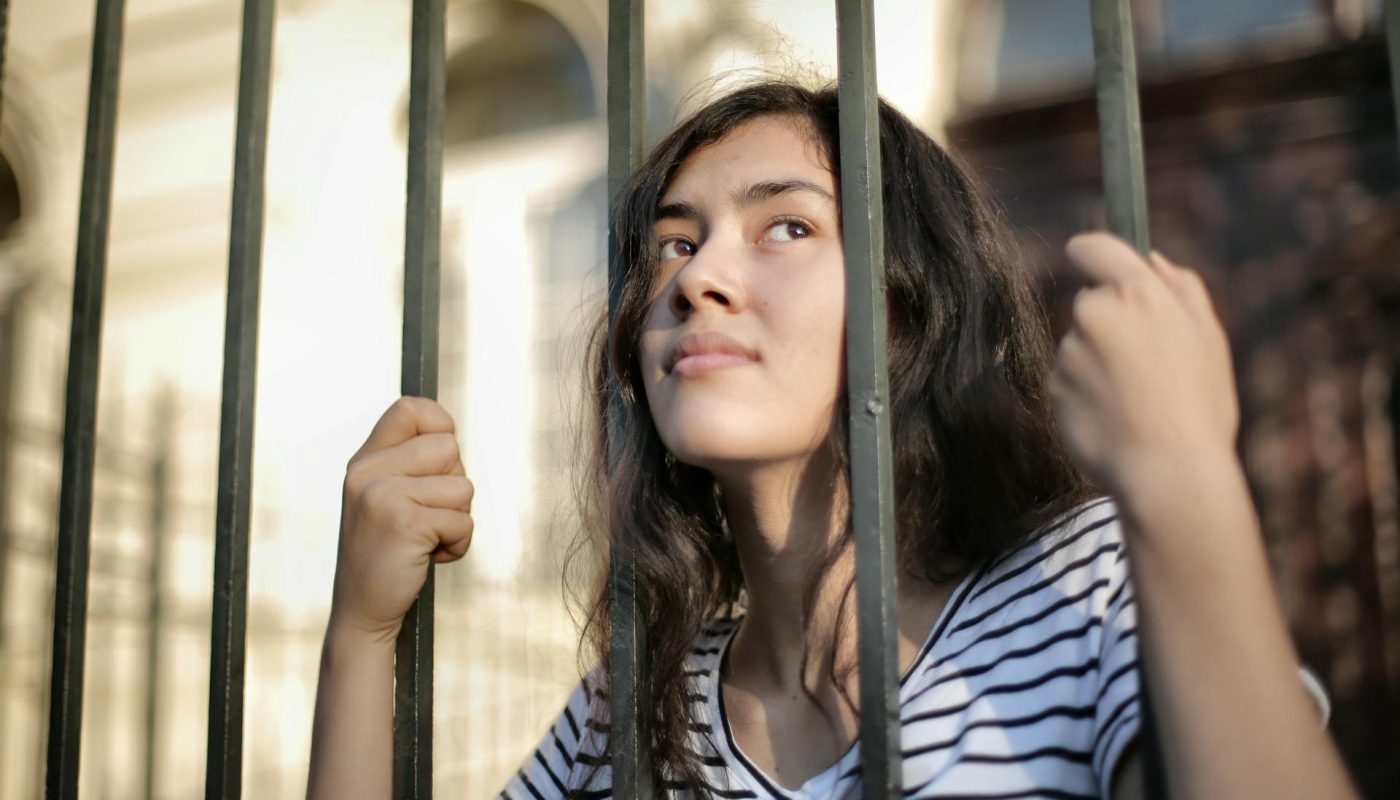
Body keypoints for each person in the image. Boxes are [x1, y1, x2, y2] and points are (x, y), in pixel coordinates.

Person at [306, 82, 1357, 799]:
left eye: (786, 226)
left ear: (905, 309)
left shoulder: (1075, 584)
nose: (693, 276)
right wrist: (358, 636)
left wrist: (1185, 491)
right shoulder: (628, 710)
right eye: (673, 240)